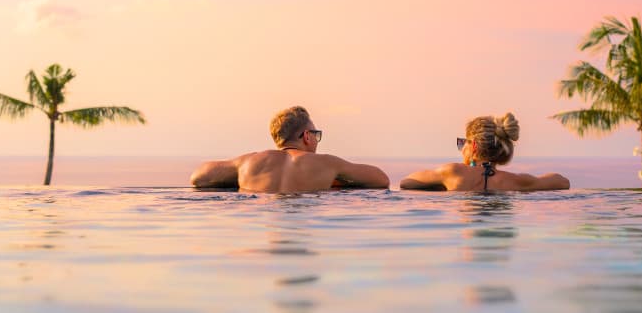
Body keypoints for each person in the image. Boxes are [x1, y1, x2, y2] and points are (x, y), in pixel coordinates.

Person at [190, 106, 390, 192]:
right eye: (316, 134)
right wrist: (339, 180)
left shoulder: (248, 162)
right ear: (306, 136)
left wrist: (239, 177)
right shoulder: (327, 164)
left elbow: (198, 177)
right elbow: (382, 180)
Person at [400, 113, 570, 191]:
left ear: (473, 146)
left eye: (462, 144)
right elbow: (562, 182)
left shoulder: (453, 172)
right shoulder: (517, 182)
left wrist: (440, 185)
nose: (461, 149)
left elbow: (406, 182)